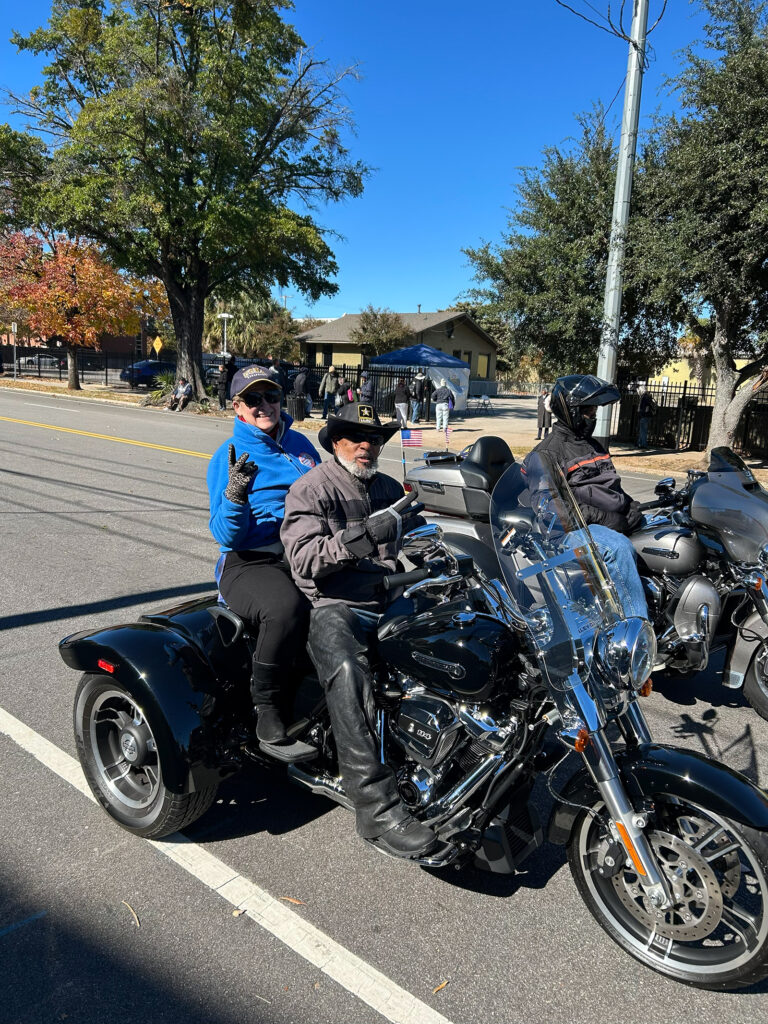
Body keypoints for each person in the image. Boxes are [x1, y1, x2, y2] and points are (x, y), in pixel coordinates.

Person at [281, 403, 438, 860]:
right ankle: (376, 808)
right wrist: (367, 533)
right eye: (355, 435)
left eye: (374, 437)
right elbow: (306, 560)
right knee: (348, 671)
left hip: (390, 598)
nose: (366, 445)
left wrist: (453, 560)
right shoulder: (311, 489)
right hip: (336, 606)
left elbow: (420, 534)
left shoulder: (389, 487)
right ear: (335, 441)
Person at [207, 366, 321, 746]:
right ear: (238, 407)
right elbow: (225, 534)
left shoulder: (301, 446)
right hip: (250, 560)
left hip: (305, 551)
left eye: (271, 396)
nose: (265, 405)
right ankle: (267, 705)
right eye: (253, 399)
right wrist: (236, 495)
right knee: (285, 607)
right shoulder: (228, 456)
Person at [522, 374, 647, 619]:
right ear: (572, 411)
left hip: (603, 523)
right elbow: (552, 511)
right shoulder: (546, 454)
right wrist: (604, 518)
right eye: (589, 410)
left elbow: (611, 485)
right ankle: (638, 636)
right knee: (618, 548)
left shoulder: (593, 445)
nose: (594, 415)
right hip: (569, 533)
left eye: (594, 409)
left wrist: (630, 506)